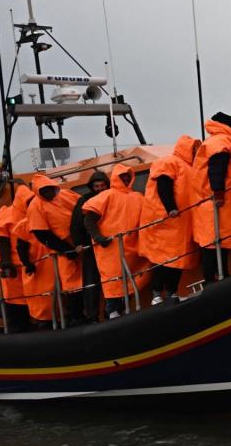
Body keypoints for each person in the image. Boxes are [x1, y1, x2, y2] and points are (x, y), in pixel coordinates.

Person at [139, 135, 201, 304]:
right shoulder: (168, 161)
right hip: (166, 222)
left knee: (178, 259)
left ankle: (172, 292)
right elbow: (163, 184)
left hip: (181, 224)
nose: (196, 151)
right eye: (194, 148)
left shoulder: (189, 167)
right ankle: (157, 293)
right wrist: (171, 208)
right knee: (162, 259)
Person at [82, 163, 148, 319]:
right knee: (112, 279)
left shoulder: (138, 197)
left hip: (133, 248)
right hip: (110, 248)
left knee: (136, 277)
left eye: (127, 177)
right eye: (122, 177)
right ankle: (111, 311)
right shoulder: (106, 195)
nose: (125, 179)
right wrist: (98, 238)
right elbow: (89, 220)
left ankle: (124, 308)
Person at [193, 113, 231, 281]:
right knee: (213, 242)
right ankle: (212, 278)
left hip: (209, 201)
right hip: (215, 201)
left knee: (220, 240)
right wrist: (218, 192)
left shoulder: (213, 140)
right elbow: (218, 166)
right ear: (228, 126)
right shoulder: (221, 141)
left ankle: (220, 274)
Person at [27, 174, 84, 324]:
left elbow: (84, 206)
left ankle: (94, 312)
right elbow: (41, 234)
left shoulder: (66, 194)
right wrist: (66, 250)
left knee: (90, 277)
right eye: (43, 190)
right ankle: (77, 317)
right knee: (71, 284)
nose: (48, 192)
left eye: (49, 188)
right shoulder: (35, 206)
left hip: (83, 243)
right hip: (64, 251)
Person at [0, 184, 36, 332]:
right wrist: (7, 263)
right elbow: (2, 239)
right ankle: (17, 328)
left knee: (35, 297)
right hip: (15, 266)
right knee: (16, 300)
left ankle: (33, 324)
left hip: (31, 264)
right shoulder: (7, 215)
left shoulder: (32, 213)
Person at [70, 171, 110, 323]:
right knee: (91, 281)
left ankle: (112, 310)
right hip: (91, 247)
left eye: (102, 185)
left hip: (109, 245)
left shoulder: (112, 195)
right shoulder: (85, 200)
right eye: (96, 186)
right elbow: (76, 223)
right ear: (92, 187)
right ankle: (92, 315)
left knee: (113, 279)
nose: (99, 189)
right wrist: (78, 242)